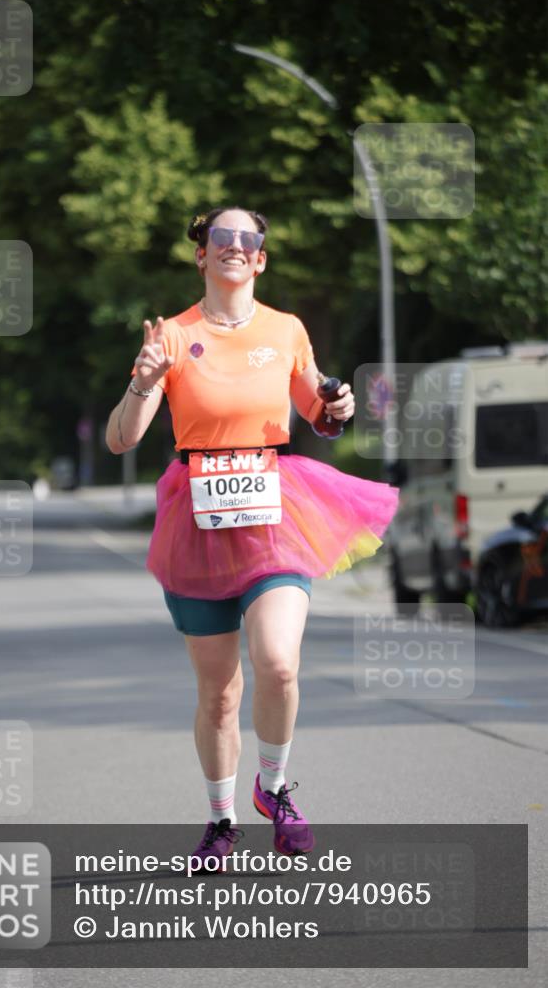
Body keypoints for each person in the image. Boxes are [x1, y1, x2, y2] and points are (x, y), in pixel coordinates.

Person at [105, 206, 399, 868]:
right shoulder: (173, 337)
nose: (235, 248)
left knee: (279, 663)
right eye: (222, 239)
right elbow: (121, 437)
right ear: (202, 255)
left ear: (260, 259)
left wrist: (337, 409)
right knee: (219, 696)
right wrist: (142, 380)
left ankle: (272, 786)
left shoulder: (285, 329)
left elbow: (316, 413)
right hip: (197, 520)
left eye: (249, 240)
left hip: (275, 513)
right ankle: (220, 822)